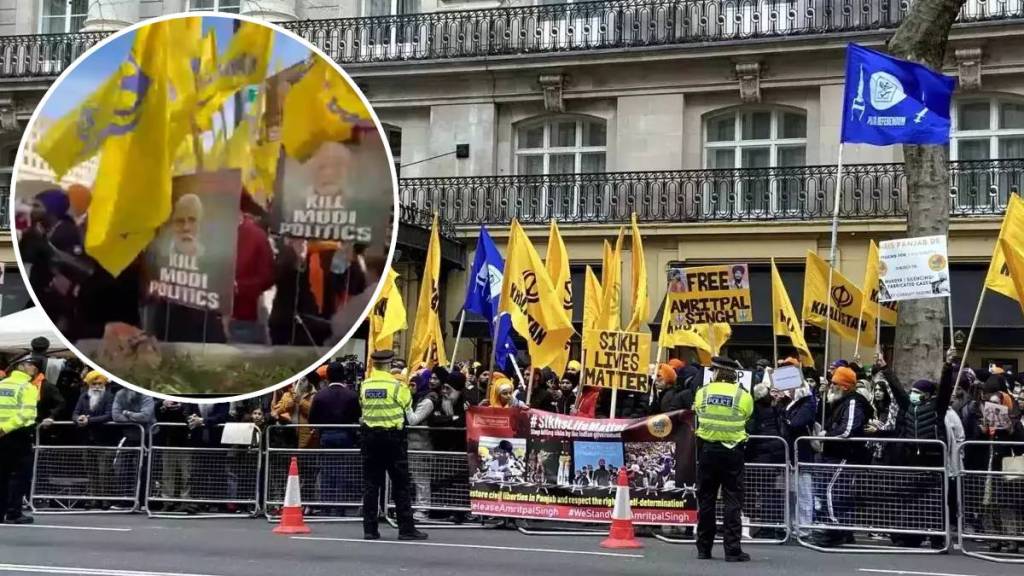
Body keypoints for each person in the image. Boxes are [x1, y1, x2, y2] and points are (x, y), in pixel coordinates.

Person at [358, 350, 427, 541]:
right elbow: (409, 414)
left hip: (370, 439)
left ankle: (370, 530)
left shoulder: (364, 386)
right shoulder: (398, 387)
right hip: (393, 440)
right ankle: (406, 529)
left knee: (371, 485)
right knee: (401, 485)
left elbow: (363, 409)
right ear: (389, 365)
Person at [693, 356, 754, 561]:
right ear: (734, 374)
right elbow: (747, 416)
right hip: (732, 452)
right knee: (732, 501)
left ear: (716, 373)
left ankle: (703, 549)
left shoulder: (703, 393)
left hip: (708, 451)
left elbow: (699, 414)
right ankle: (732, 550)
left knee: (707, 500)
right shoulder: (742, 395)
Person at [811, 365, 875, 547]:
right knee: (836, 491)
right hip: (836, 453)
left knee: (832, 490)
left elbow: (848, 430)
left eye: (834, 383)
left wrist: (826, 436)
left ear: (844, 386)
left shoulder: (853, 402)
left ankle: (835, 528)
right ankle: (844, 529)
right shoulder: (839, 402)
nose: (831, 386)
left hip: (846, 454)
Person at [309, 361, 362, 514]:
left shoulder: (320, 396)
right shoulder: (351, 395)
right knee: (342, 471)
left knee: (326, 471)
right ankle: (339, 507)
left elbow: (313, 419)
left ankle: (326, 506)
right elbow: (357, 416)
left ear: (328, 376)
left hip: (326, 435)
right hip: (346, 435)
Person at [0, 357, 42, 524]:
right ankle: (13, 512)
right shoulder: (28, 387)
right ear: (21, 366)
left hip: (2, 437)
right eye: (32, 365)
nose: (35, 369)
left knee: (1, 475)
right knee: (21, 475)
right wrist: (6, 428)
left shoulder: (2, 384)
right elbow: (27, 414)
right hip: (18, 435)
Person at [229, 198, 275, 345]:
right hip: (207, 320)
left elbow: (268, 277)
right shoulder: (209, 233)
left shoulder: (257, 236)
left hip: (243, 320)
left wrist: (239, 287)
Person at [111, 386, 155, 510]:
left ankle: (143, 501)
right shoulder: (120, 394)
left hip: (147, 436)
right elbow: (115, 416)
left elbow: (145, 416)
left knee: (144, 469)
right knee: (123, 468)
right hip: (129, 436)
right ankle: (126, 499)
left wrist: (126, 413)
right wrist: (135, 419)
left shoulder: (146, 395)